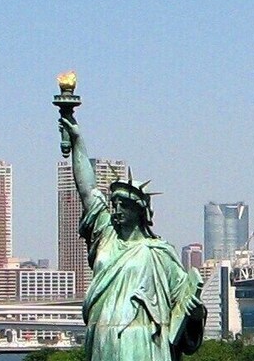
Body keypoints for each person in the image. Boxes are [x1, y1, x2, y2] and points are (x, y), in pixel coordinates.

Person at [59, 117, 204, 360]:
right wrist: (77, 141)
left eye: (123, 205)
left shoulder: (159, 253)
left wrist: (196, 314)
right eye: (113, 204)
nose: (115, 210)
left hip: (143, 341)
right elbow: (87, 190)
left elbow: (183, 302)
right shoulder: (106, 235)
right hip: (102, 338)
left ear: (139, 211)